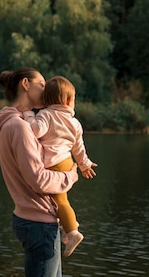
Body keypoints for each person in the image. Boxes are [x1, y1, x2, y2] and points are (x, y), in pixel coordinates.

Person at [0, 67, 80, 277]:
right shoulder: (20, 127)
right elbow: (38, 179)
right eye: (41, 84)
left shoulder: (13, 123)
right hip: (39, 222)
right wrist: (71, 176)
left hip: (35, 218)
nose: (46, 88)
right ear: (25, 84)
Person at [23, 75, 97, 257]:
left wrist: (28, 114)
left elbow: (35, 130)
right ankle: (67, 225)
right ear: (69, 101)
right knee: (60, 199)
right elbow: (78, 147)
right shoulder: (75, 123)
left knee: (60, 200)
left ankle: (72, 232)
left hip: (53, 163)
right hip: (67, 161)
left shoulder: (47, 115)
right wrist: (85, 164)